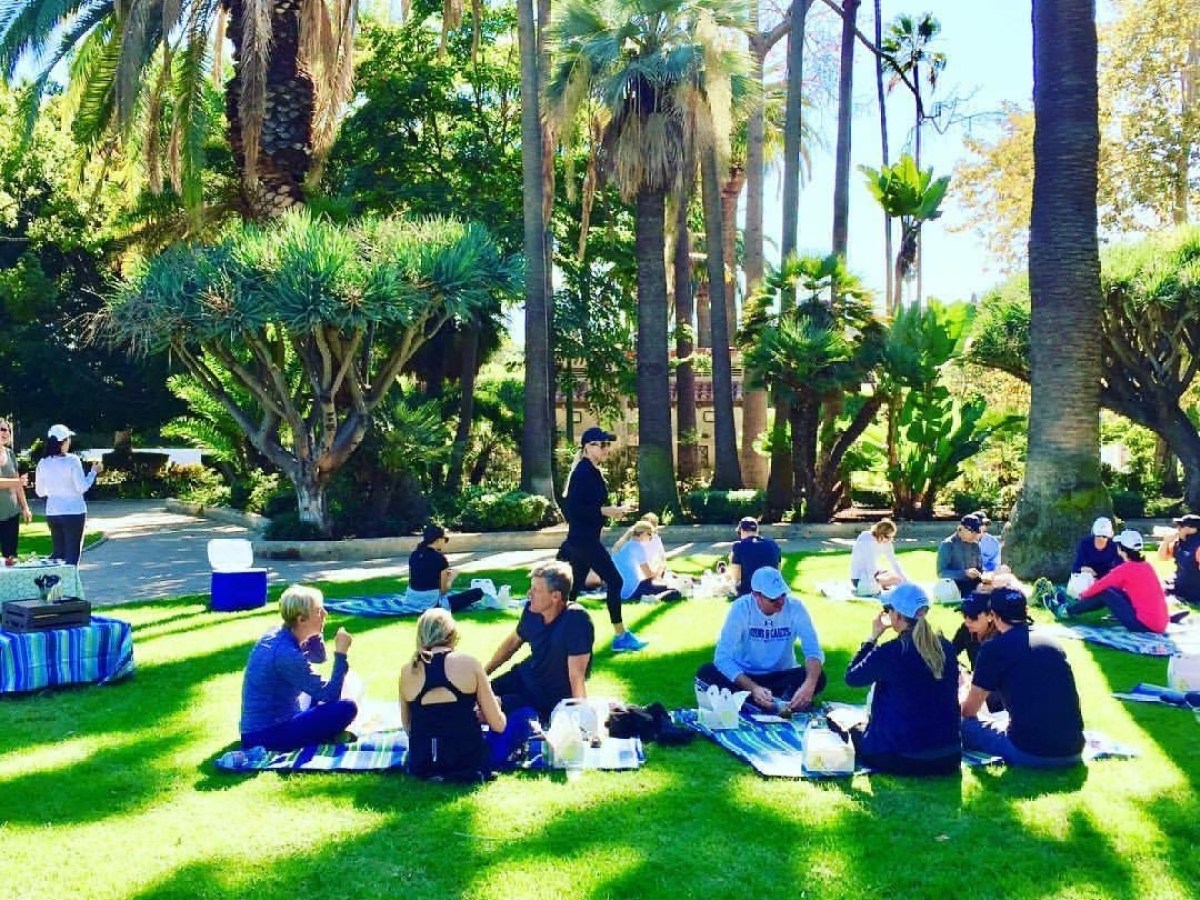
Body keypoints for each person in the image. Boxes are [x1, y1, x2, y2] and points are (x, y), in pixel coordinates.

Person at [400, 608, 535, 781]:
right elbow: (498, 725)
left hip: (423, 763)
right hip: (467, 763)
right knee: (525, 715)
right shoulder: (469, 664)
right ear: (452, 634)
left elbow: (408, 727)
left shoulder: (407, 671)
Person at [843, 584, 961, 776]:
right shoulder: (945, 647)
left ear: (897, 616)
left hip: (901, 757)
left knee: (843, 724)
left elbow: (851, 677)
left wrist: (872, 638)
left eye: (888, 610)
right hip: (949, 756)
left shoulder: (891, 652)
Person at [960, 588, 1085, 768]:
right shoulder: (1052, 643)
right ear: (1025, 611)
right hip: (1073, 749)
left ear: (993, 616)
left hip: (1029, 751)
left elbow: (969, 711)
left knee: (962, 724)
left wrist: (964, 688)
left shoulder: (994, 649)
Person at [239, 585, 358, 751]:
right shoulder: (286, 654)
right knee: (347, 707)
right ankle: (326, 735)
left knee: (322, 693)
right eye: (319, 611)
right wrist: (341, 653)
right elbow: (330, 695)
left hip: (268, 723)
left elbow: (318, 657)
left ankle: (325, 734)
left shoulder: (280, 633)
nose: (325, 614)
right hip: (265, 735)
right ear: (301, 620)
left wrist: (315, 631)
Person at [559, 426, 644, 652]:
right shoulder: (583, 473)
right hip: (584, 540)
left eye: (608, 444)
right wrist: (606, 511)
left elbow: (590, 507)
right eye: (603, 444)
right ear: (589, 447)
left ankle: (556, 632)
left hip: (582, 540)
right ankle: (620, 636)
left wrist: (614, 510)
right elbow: (574, 509)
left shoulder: (590, 471)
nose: (608, 449)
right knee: (615, 581)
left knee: (574, 589)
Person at [695, 567, 826, 714]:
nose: (780, 603)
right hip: (745, 676)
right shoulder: (741, 608)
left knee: (818, 676)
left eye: (783, 595)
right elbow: (721, 657)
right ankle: (772, 702)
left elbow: (813, 651)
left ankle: (761, 703)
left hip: (781, 675)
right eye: (773, 600)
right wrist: (753, 688)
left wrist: (809, 685)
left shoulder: (795, 607)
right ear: (756, 595)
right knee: (706, 673)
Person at [486, 561, 595, 721]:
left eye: (536, 590)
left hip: (545, 696)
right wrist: (483, 674)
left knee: (488, 707)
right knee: (474, 696)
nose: (529, 594)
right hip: (523, 676)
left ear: (556, 596)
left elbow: (576, 674)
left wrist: (580, 717)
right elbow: (511, 644)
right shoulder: (532, 611)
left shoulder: (576, 620)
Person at [1048, 530, 1169, 633]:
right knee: (1112, 591)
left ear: (1121, 549)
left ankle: (1066, 611)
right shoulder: (1147, 566)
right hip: (1160, 624)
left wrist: (1082, 595)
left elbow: (1101, 586)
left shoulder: (1125, 569)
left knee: (1105, 593)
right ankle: (1070, 610)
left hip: (1143, 625)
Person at [34, 423, 102, 565]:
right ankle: (71, 585)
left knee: (58, 555)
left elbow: (40, 492)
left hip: (53, 512)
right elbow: (81, 487)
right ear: (63, 442)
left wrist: (55, 491)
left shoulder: (43, 463)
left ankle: (57, 585)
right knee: (72, 556)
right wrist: (93, 472)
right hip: (74, 511)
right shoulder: (72, 460)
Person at [404, 523, 485, 613]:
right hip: (432, 604)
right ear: (438, 540)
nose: (445, 542)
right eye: (445, 539)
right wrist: (451, 578)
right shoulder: (440, 558)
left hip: (411, 600)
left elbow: (414, 580)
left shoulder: (414, 554)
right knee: (477, 592)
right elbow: (443, 591)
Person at [611, 521, 682, 603]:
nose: (650, 539)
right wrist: (659, 570)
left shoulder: (620, 545)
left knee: (659, 585)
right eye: (650, 535)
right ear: (644, 533)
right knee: (675, 591)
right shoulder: (637, 546)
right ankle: (654, 598)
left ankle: (650, 597)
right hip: (632, 590)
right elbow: (648, 575)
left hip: (618, 591)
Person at [848, 519, 907, 597]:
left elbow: (893, 560)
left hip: (873, 573)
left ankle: (882, 585)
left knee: (897, 578)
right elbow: (870, 565)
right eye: (887, 536)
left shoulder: (885, 541)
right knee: (896, 580)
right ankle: (879, 585)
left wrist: (905, 581)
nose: (889, 540)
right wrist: (874, 587)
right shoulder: (867, 539)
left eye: (891, 537)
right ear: (880, 533)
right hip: (859, 578)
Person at [0, 418, 32, 558]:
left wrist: (25, 508)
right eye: (2, 429)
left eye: (7, 430)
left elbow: (18, 485)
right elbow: (16, 482)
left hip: (11, 514)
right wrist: (17, 482)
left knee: (11, 557)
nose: (5, 432)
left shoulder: (10, 453)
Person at [728, 516, 782, 597]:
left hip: (748, 593)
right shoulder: (773, 545)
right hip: (771, 593)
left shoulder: (738, 546)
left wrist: (731, 560)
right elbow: (778, 571)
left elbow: (736, 578)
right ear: (757, 530)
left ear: (742, 531)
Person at [936, 514, 985, 600]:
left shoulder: (975, 545)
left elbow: (980, 568)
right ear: (961, 528)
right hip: (955, 585)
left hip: (975, 583)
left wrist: (983, 575)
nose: (974, 535)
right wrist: (965, 573)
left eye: (976, 533)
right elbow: (941, 572)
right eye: (972, 532)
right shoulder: (948, 545)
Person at [1157, 513, 1200, 605]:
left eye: (1181, 525)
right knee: (1153, 584)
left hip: (1193, 591)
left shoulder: (1198, 546)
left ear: (1191, 529)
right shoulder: (1179, 543)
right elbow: (1162, 557)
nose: (1178, 528)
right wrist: (1166, 542)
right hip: (1179, 584)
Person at [639, 512, 669, 580]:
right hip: (644, 574)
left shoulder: (656, 539)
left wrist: (659, 572)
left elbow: (663, 559)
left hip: (654, 572)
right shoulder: (637, 540)